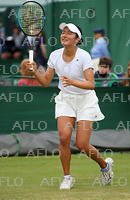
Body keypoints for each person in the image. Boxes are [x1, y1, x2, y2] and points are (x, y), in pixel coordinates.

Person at [27, 22, 114, 189]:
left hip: (86, 101)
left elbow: (91, 84)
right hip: (65, 99)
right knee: (64, 138)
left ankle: (105, 166)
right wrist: (36, 72)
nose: (64, 35)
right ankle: (67, 177)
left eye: (69, 32)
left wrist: (73, 81)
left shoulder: (84, 56)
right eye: (63, 32)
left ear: (77, 39)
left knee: (82, 144)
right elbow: (45, 82)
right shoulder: (54, 55)